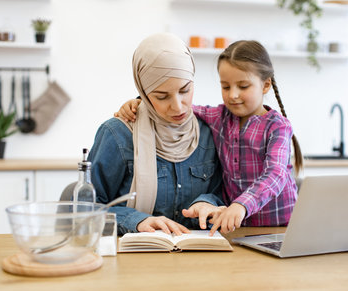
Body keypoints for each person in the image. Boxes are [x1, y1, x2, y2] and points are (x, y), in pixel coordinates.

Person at [116, 40, 303, 235]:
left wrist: (241, 205)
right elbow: (182, 109)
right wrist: (140, 103)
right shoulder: (219, 117)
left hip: (281, 227)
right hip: (238, 228)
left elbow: (276, 174)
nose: (233, 95)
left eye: (243, 86)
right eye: (226, 86)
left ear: (265, 85)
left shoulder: (277, 126)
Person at [88, 32, 225, 236]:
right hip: (134, 260)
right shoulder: (118, 135)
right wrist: (137, 221)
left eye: (185, 90)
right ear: (144, 93)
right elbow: (85, 208)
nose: (178, 106)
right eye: (162, 96)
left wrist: (209, 203)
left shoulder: (207, 132)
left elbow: (221, 194)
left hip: (197, 257)